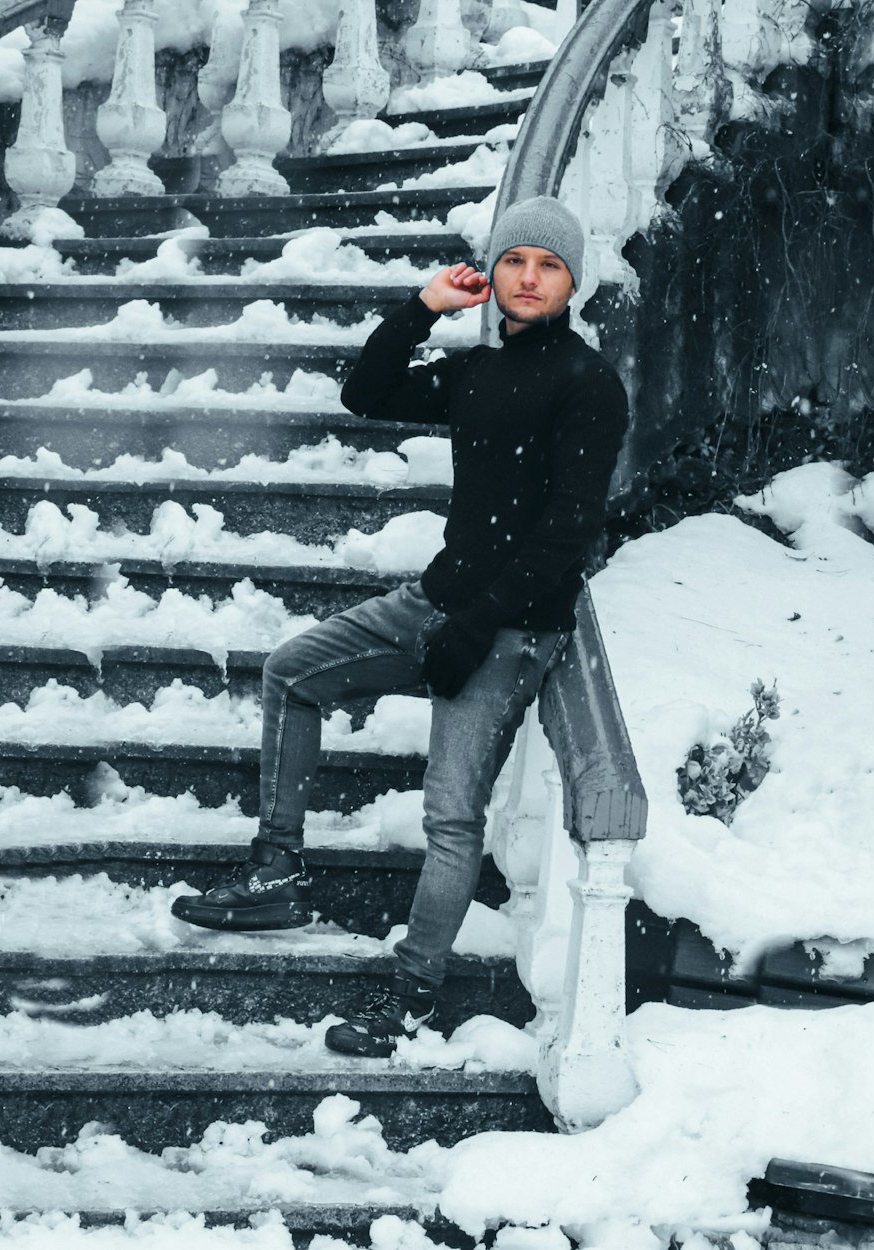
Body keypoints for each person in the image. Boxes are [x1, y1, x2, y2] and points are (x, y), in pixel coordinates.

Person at [171, 195, 629, 1057]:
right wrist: (421, 309)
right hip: (437, 602)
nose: (528, 278)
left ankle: (410, 995)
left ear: (573, 283)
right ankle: (276, 874)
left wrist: (480, 627)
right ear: (493, 272)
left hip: (511, 630)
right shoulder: (480, 372)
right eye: (515, 261)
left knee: (451, 818)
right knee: (292, 672)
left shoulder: (587, 386)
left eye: (549, 266)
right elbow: (365, 391)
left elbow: (566, 534)